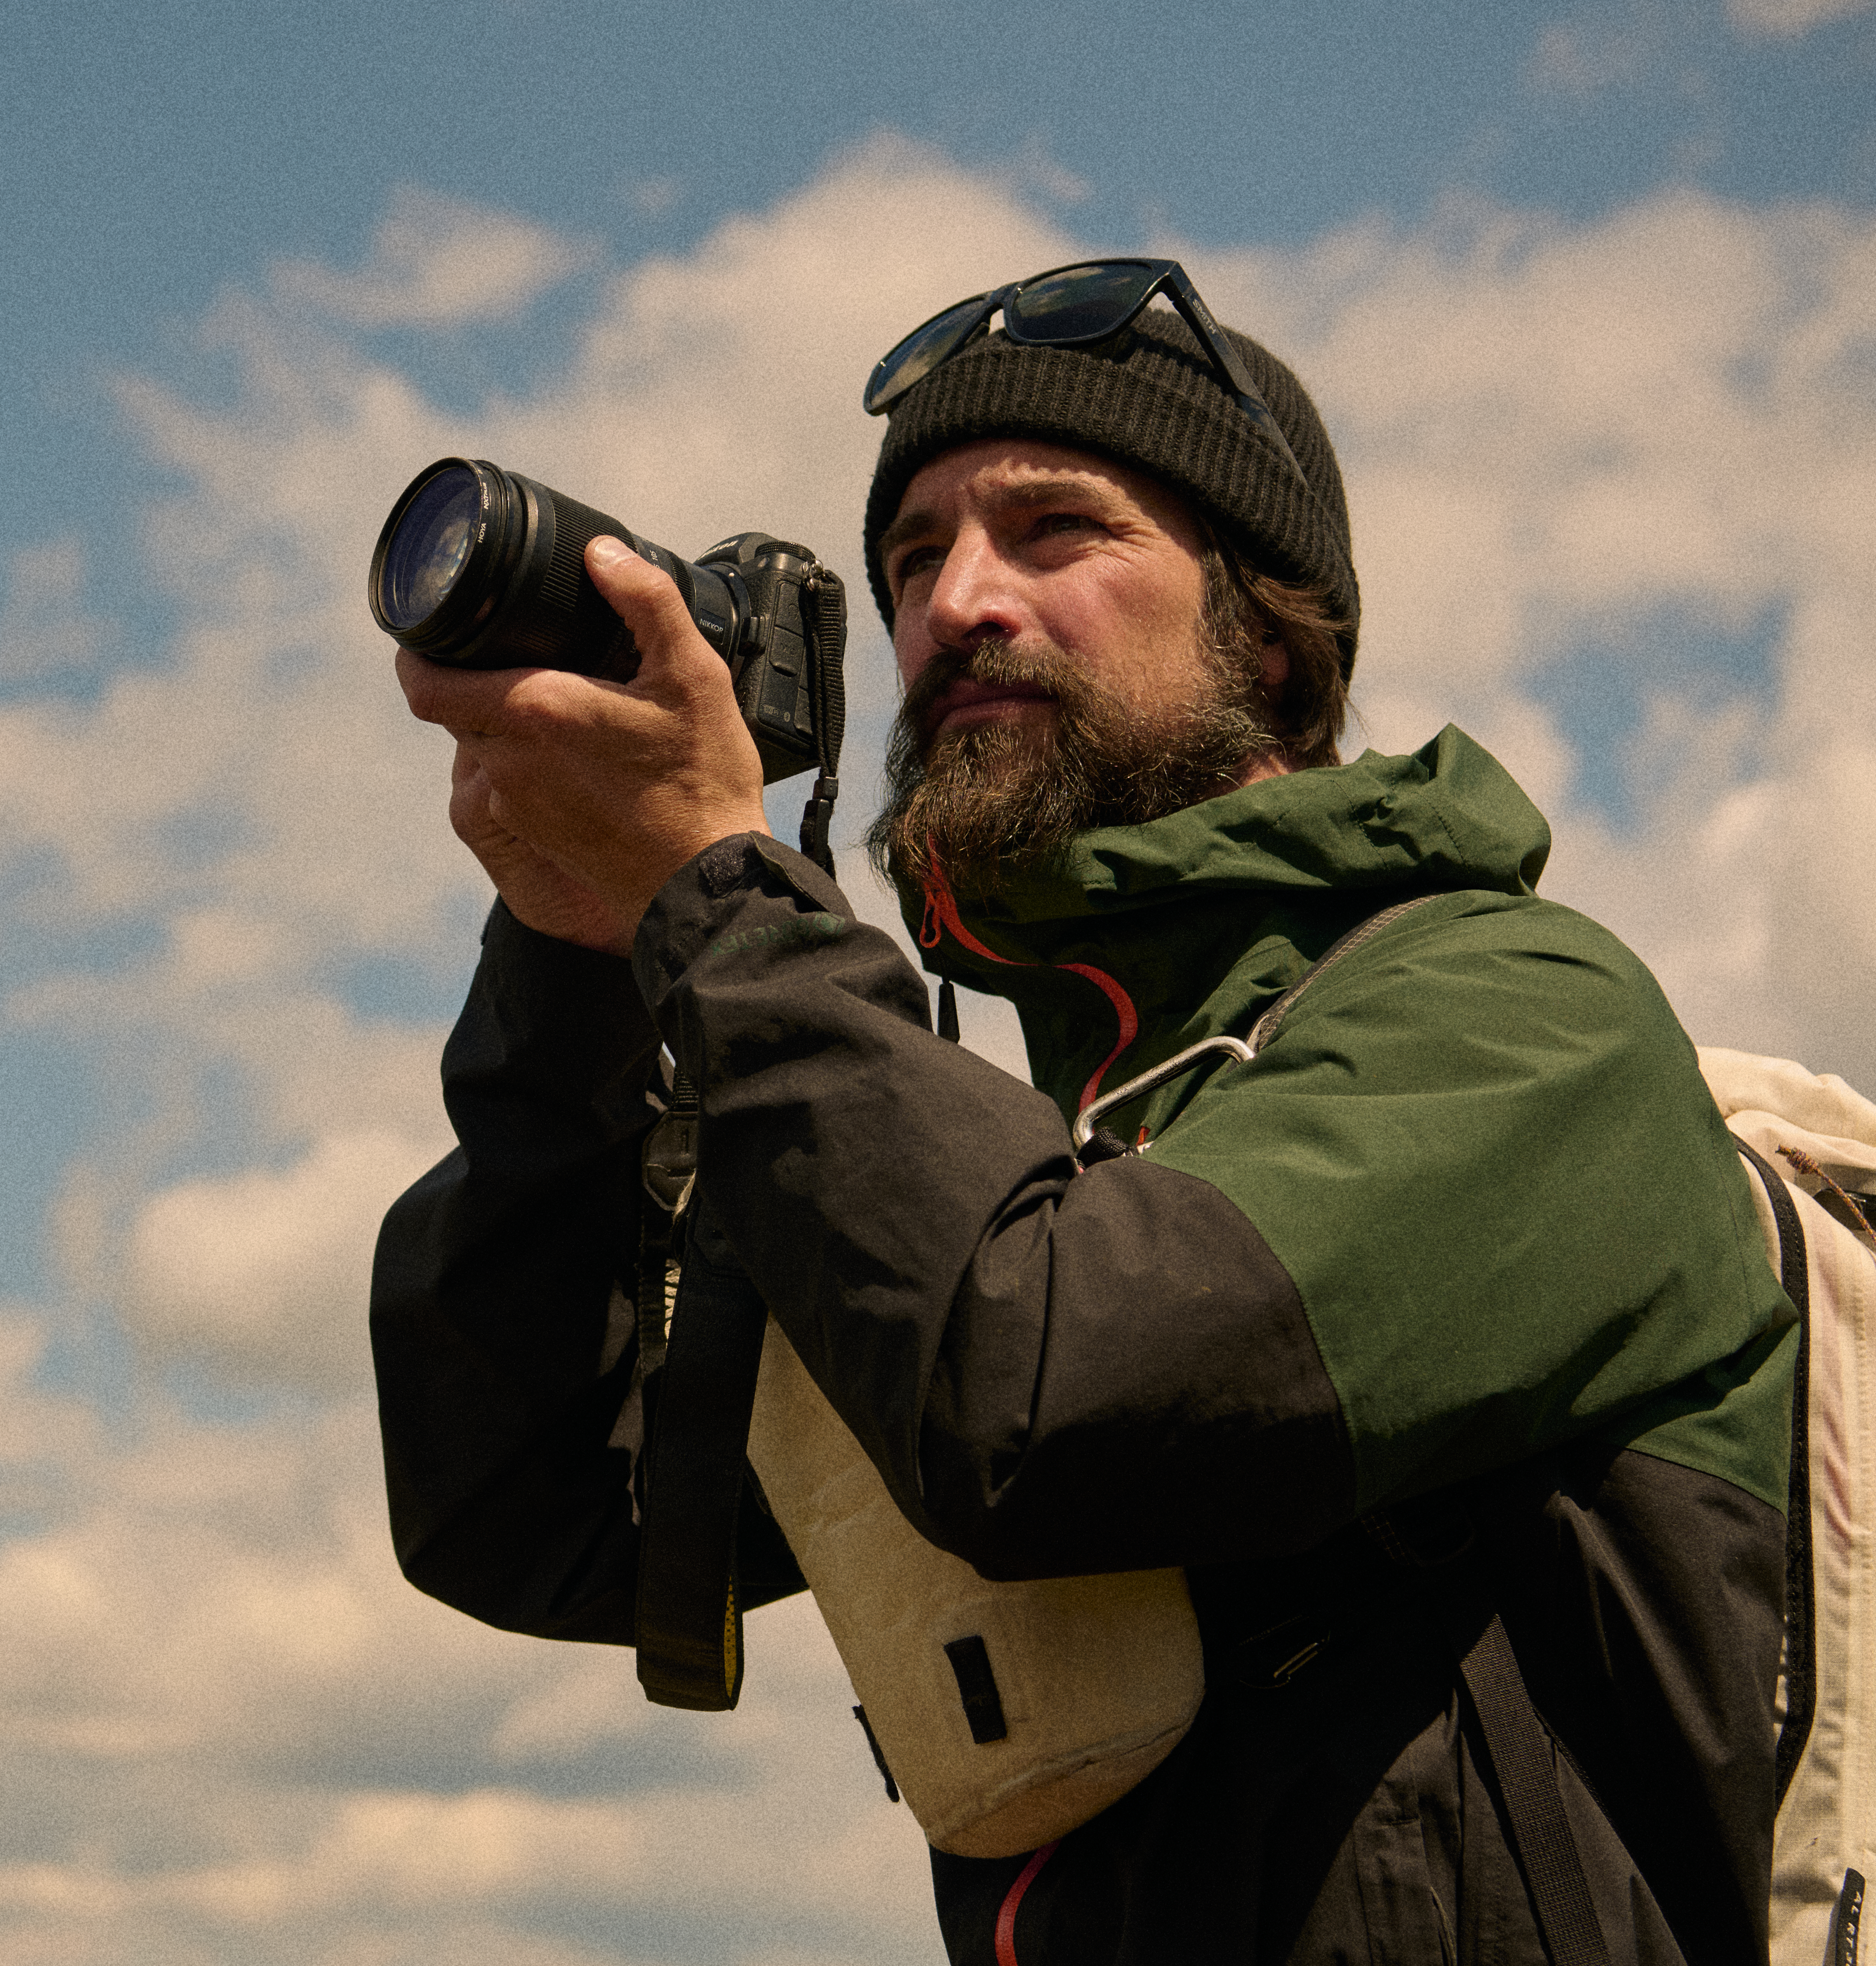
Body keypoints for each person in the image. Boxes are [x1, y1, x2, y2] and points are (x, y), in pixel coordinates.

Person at [370, 260, 1791, 1965]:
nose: (961, 599)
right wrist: (569, 960)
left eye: (1056, 529)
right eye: (914, 557)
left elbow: (1054, 1392)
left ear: (1270, 629)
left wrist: (716, 903)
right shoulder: (1039, 1144)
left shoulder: (1522, 1015)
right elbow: (528, 1508)